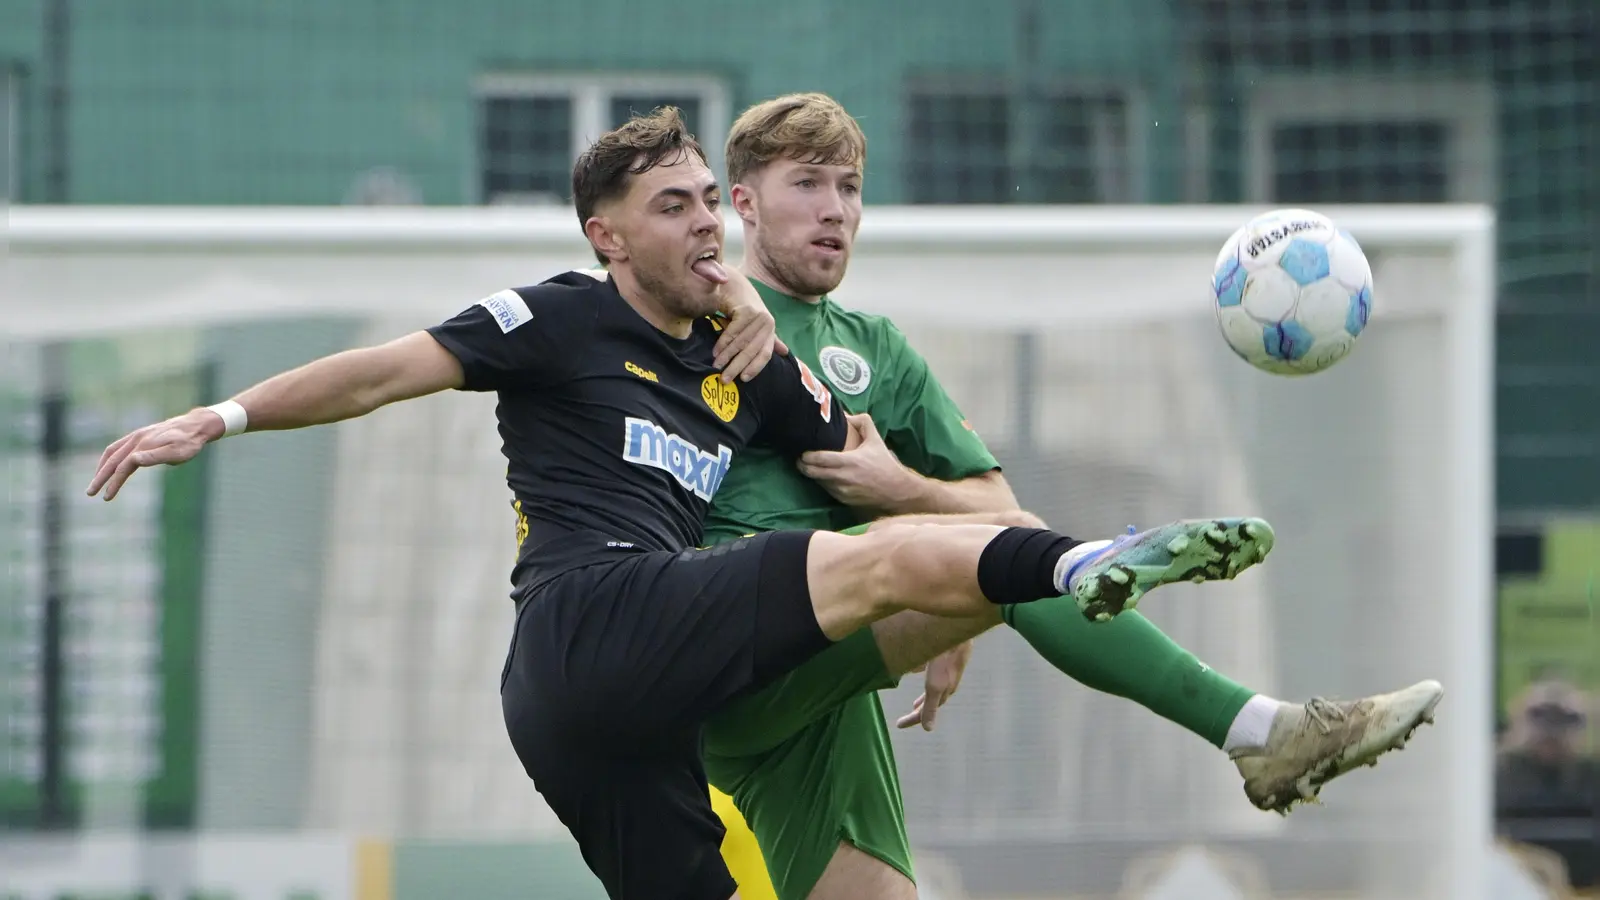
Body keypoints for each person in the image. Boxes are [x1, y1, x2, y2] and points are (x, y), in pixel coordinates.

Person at [85, 108, 1276, 900]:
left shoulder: (751, 361)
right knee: (857, 560)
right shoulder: (560, 315)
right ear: (606, 238)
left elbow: (902, 491)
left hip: (626, 721)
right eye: (673, 206)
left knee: (896, 551)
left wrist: (962, 604)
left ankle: (1060, 578)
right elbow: (386, 371)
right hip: (587, 616)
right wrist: (221, 416)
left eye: (710, 198)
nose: (705, 220)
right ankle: (1081, 567)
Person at [696, 93, 1448, 900]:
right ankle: (1258, 730)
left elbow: (995, 507)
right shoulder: (693, 316)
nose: (835, 210)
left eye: (849, 188)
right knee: (1020, 559)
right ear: (743, 202)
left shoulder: (876, 349)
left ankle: (1263, 734)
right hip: (722, 635)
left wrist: (901, 494)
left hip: (821, 675)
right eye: (807, 184)